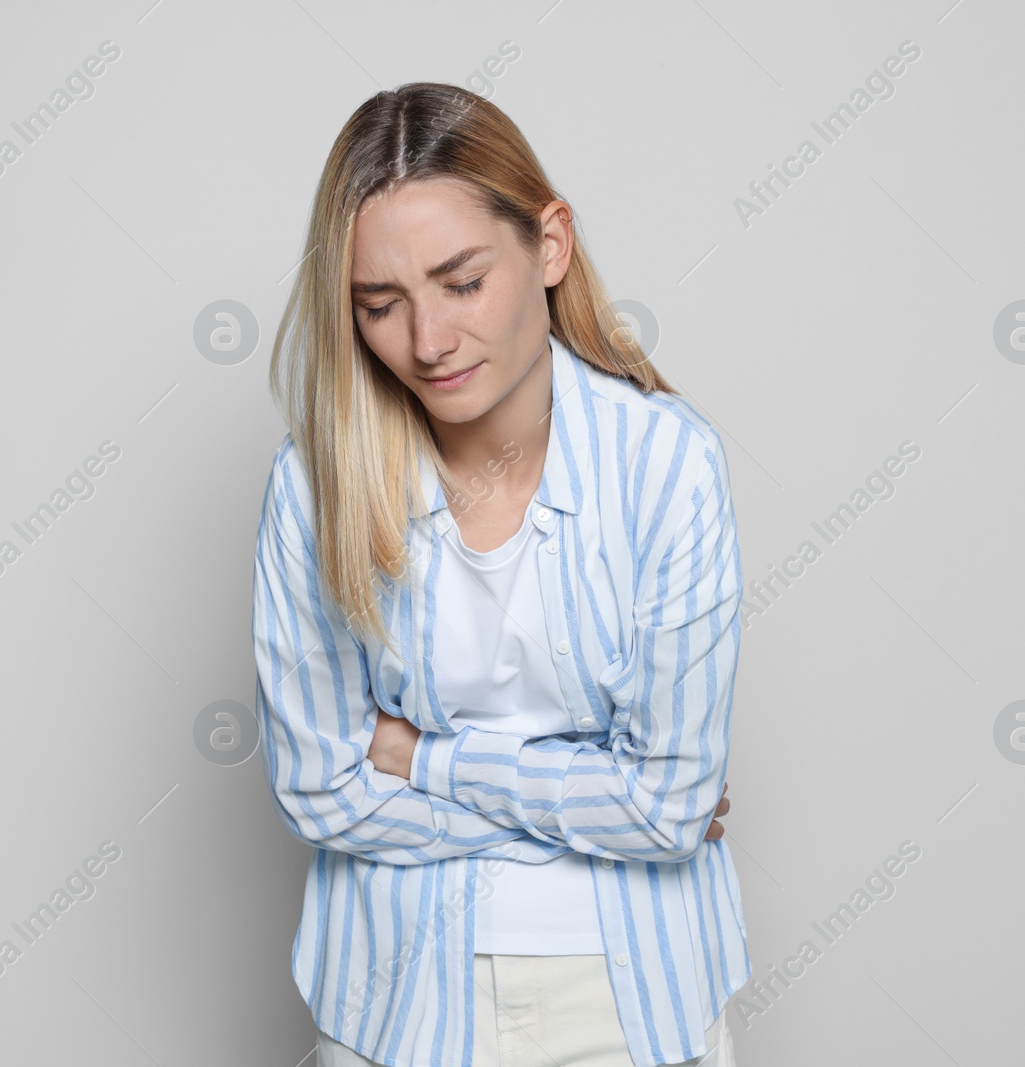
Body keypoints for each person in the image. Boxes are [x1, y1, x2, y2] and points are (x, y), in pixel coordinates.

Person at [251, 81, 748, 1067]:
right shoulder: (314, 486)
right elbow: (318, 791)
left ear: (548, 245)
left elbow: (667, 806)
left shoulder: (666, 466)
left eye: (461, 281)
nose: (426, 343)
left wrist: (416, 753)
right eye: (379, 305)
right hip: (394, 1000)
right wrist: (600, 799)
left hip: (635, 999)